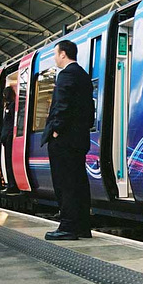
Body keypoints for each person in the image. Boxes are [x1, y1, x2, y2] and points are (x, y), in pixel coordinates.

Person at [41, 40, 95, 241]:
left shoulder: (66, 75)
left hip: (64, 140)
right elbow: (89, 109)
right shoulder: (83, 76)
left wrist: (56, 129)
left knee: (65, 184)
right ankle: (82, 227)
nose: (55, 58)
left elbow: (61, 105)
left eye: (56, 54)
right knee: (79, 182)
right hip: (79, 139)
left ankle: (68, 227)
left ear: (63, 54)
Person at [0, 86, 19, 194]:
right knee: (8, 161)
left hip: (8, 138)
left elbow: (9, 124)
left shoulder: (11, 106)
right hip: (7, 137)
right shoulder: (10, 106)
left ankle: (12, 184)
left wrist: (5, 136)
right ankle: (10, 184)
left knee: (9, 161)